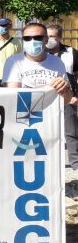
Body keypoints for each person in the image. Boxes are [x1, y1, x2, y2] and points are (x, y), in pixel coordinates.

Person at [3, 23, 71, 103]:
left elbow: (67, 100)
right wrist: (48, 88)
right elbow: (14, 96)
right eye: (27, 38)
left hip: (51, 113)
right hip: (25, 113)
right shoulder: (14, 61)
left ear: (46, 39)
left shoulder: (57, 62)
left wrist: (65, 89)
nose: (32, 41)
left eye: (38, 37)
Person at [46, 24, 78, 169]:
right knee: (45, 131)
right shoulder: (40, 53)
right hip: (45, 99)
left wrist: (76, 95)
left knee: (71, 132)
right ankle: (48, 162)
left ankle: (75, 163)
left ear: (60, 37)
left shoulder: (71, 52)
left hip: (67, 97)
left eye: (52, 36)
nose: (49, 39)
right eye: (47, 36)